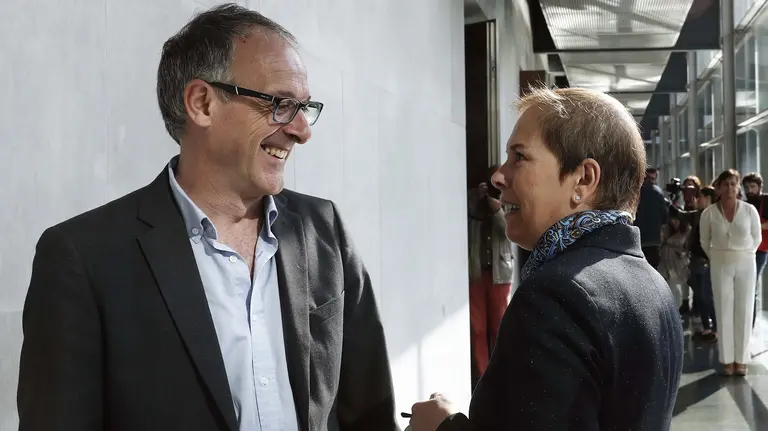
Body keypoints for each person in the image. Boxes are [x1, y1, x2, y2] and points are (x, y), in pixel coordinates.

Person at [17, 5, 398, 431]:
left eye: (304, 107)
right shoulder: (84, 258)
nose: (302, 130)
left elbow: (370, 415)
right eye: (281, 104)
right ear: (202, 103)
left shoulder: (323, 228)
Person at [408, 87, 683, 431]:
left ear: (583, 179)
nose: (498, 176)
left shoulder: (557, 295)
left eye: (519, 157)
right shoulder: (653, 285)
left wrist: (441, 426)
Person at [700, 169, 762, 376]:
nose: (729, 188)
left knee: (744, 308)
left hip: (746, 261)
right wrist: (717, 256)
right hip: (720, 262)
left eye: (733, 184)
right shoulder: (709, 213)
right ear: (718, 188)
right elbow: (704, 241)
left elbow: (757, 238)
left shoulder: (749, 210)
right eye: (725, 184)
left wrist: (746, 253)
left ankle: (741, 360)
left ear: (738, 187)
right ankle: (727, 360)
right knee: (723, 309)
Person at [467, 165, 514, 386]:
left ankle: (500, 375)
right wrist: (477, 198)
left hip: (500, 274)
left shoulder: (509, 202)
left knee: (498, 326)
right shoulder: (473, 203)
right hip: (476, 273)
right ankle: (483, 377)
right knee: (478, 329)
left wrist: (497, 210)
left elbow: (507, 233)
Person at [689, 186, 718, 343]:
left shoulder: (714, 215)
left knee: (706, 296)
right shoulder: (701, 215)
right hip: (697, 259)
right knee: (700, 296)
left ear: (707, 198)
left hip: (706, 261)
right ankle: (707, 327)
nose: (697, 200)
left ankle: (715, 329)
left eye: (700, 197)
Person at [742, 172, 768, 328]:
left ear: (759, 187)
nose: (749, 190)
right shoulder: (745, 204)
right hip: (744, 249)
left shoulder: (766, 201)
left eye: (752, 186)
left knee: (751, 285)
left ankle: (748, 326)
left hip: (760, 250)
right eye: (746, 187)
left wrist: (755, 226)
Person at [635, 167, 668, 268]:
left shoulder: (634, 193)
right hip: (654, 241)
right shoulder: (658, 193)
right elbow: (665, 218)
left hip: (638, 240)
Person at [658, 211, 690, 308]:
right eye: (673, 220)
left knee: (681, 285)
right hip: (667, 260)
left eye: (677, 220)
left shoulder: (686, 230)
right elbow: (661, 243)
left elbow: (688, 246)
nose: (675, 222)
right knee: (671, 286)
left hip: (681, 261)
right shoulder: (665, 229)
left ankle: (683, 304)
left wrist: (684, 252)